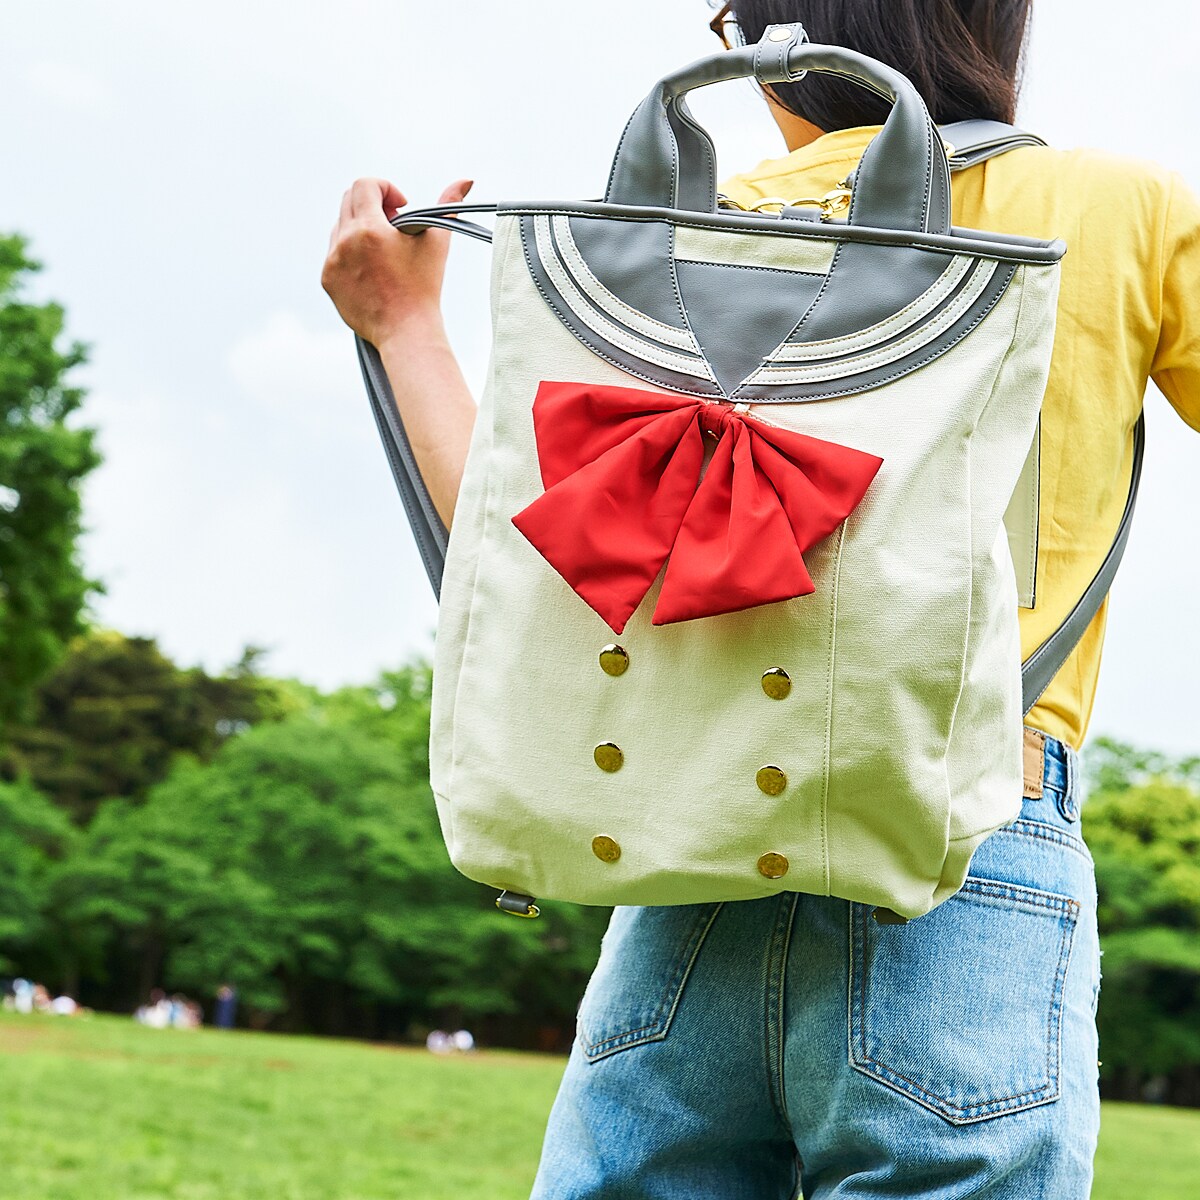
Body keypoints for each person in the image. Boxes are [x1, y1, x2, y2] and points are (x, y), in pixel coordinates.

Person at [321, 2, 1198, 1195]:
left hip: (686, 840)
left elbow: (535, 556)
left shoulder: (680, 242)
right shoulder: (1122, 207)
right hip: (964, 831)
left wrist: (404, 324)